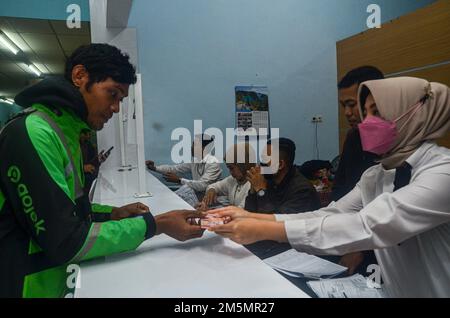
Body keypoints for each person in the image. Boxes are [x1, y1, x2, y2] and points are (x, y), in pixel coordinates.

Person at [207, 77, 450, 298]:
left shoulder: (442, 172)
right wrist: (253, 217)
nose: (366, 123)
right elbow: (329, 214)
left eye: (377, 112)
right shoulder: (376, 174)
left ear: (415, 113)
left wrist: (262, 229)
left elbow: (368, 225)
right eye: (366, 114)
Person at [0, 44, 204, 298]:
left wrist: (113, 214)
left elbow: (68, 210)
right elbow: (66, 241)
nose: (116, 108)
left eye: (121, 99)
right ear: (79, 76)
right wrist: (155, 224)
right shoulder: (34, 133)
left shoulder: (67, 133)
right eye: (112, 94)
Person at [333, 66, 384, 274]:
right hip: (353, 236)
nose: (347, 113)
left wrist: (360, 247)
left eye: (352, 105)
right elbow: (341, 191)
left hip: (383, 243)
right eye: (343, 105)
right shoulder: (354, 137)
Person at [244, 138, 321, 215]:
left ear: (280, 165)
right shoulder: (270, 181)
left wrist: (261, 190)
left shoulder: (302, 190)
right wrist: (253, 189)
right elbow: (248, 214)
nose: (261, 164)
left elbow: (275, 222)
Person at [146, 134, 222, 195]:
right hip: (198, 196)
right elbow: (174, 169)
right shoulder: (195, 161)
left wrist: (179, 180)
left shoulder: (213, 163)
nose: (191, 147)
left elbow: (202, 185)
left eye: (194, 145)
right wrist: (155, 168)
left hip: (210, 200)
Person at [198, 143, 256, 210]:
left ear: (243, 165)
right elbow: (214, 186)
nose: (230, 172)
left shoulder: (253, 185)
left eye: (231, 168)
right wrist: (211, 190)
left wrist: (210, 212)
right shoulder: (232, 180)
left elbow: (241, 210)